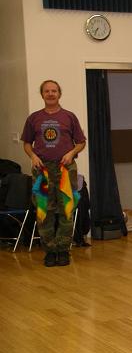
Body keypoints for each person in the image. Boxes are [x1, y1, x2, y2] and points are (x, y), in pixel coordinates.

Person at [21, 80, 86, 267]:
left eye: (54, 91)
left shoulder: (69, 117)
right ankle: (50, 251)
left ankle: (63, 250)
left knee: (66, 210)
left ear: (59, 93)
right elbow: (26, 143)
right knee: (44, 210)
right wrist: (32, 156)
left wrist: (71, 152)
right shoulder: (34, 118)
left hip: (65, 170)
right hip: (42, 170)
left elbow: (81, 142)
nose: (51, 94)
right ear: (42, 94)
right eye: (47, 91)